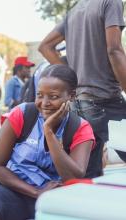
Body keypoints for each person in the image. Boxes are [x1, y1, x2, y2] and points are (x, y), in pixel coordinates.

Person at [0, 64, 95, 220]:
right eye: (40, 95)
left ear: (72, 96)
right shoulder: (23, 114)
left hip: (54, 199)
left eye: (53, 96)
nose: (44, 102)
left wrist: (49, 132)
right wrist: (36, 192)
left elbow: (72, 177)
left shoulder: (80, 128)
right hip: (15, 192)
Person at [39, 0, 126, 178]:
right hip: (106, 99)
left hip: (79, 104)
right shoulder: (111, 2)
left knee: (88, 172)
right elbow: (114, 49)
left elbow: (45, 47)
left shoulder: (75, 11)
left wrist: (73, 78)